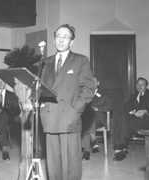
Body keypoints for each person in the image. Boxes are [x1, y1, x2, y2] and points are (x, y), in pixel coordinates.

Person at [40, 24, 96, 180]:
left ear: (71, 41)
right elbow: (40, 87)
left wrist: (75, 111)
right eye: (58, 36)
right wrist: (41, 105)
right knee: (53, 165)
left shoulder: (80, 60)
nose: (61, 40)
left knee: (71, 165)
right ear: (53, 40)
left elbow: (88, 89)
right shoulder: (46, 62)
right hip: (50, 117)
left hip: (69, 118)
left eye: (65, 37)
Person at [113, 77, 149, 161]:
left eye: (142, 85)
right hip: (134, 119)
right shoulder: (133, 96)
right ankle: (121, 147)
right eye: (138, 84)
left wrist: (145, 111)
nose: (140, 87)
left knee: (121, 124)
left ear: (146, 86)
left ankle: (121, 148)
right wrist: (131, 111)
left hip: (147, 120)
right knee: (120, 117)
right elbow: (126, 107)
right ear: (136, 86)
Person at [81, 76, 112, 160]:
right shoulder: (86, 94)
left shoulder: (104, 94)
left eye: (94, 82)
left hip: (99, 118)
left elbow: (109, 106)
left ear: (98, 83)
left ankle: (87, 150)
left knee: (88, 121)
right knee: (87, 120)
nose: (92, 83)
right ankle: (92, 142)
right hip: (87, 118)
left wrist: (97, 108)